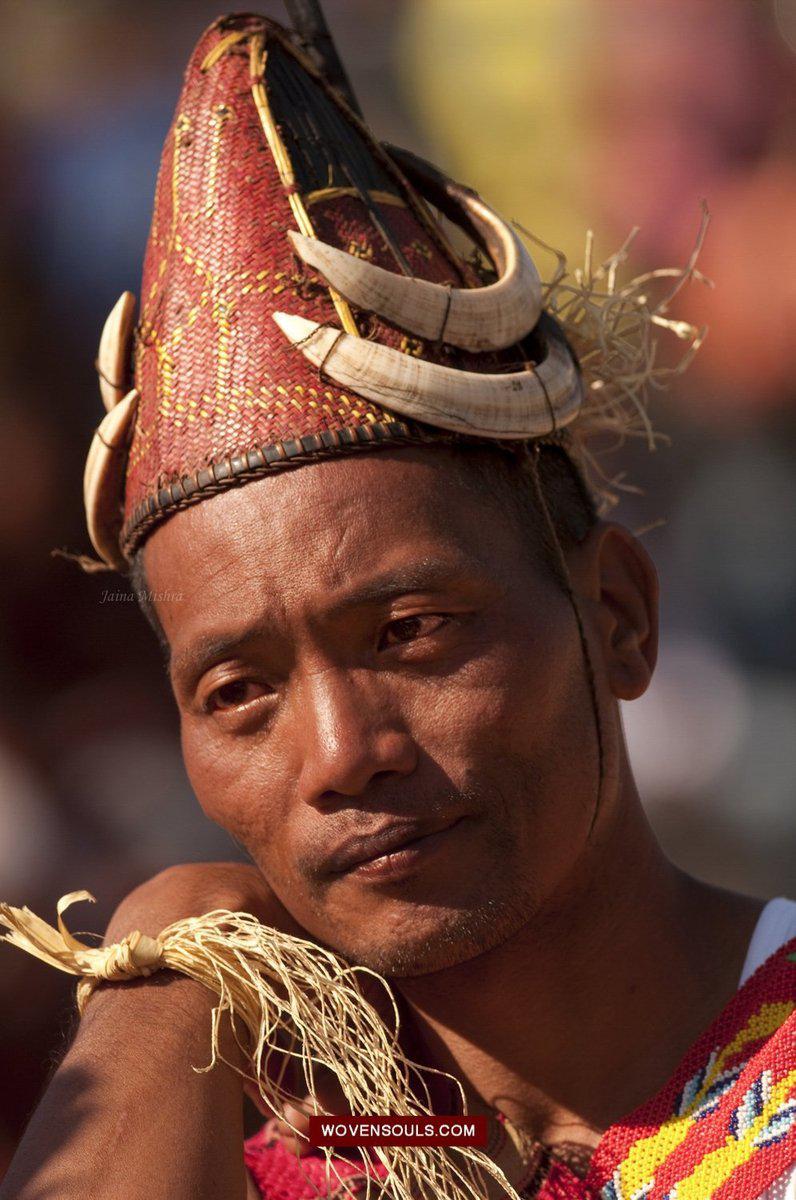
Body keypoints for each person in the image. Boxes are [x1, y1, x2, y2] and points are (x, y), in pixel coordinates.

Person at [1, 12, 795, 1200]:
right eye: (238, 694)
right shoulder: (255, 1158)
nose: (340, 755)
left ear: (619, 617)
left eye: (412, 631)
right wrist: (175, 958)